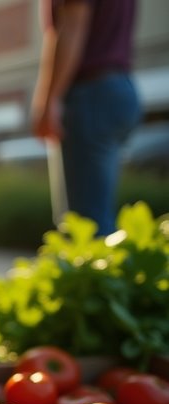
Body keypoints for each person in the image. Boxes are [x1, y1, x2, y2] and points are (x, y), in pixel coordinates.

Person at [31, 0, 141, 237]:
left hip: (89, 92)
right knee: (98, 212)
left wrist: (48, 100)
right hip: (119, 85)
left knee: (84, 228)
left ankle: (99, 273)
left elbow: (71, 28)